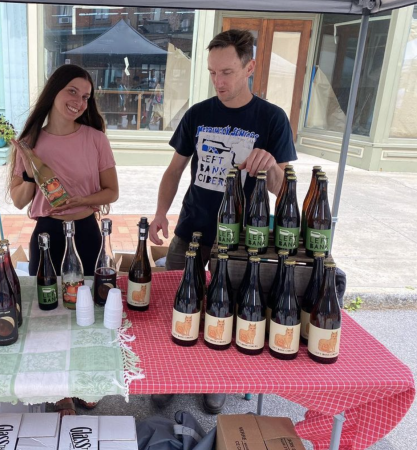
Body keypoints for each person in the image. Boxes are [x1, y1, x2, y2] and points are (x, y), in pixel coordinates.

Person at [148, 29, 297, 414]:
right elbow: (174, 171)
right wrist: (161, 212)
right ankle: (169, 376)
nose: (219, 81)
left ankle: (216, 383)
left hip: (243, 239)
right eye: (213, 72)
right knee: (177, 307)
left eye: (227, 72)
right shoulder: (198, 113)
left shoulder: (272, 118)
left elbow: (283, 191)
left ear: (249, 68)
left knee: (227, 313)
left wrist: (269, 166)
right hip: (191, 230)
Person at [8, 64, 119, 415]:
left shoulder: (95, 138)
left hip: (87, 232)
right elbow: (19, 200)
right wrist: (28, 167)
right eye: (72, 91)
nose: (79, 101)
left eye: (86, 96)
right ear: (54, 91)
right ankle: (58, 390)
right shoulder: (30, 142)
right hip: (47, 235)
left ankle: (87, 379)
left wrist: (80, 200)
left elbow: (111, 192)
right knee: (50, 312)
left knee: (90, 309)